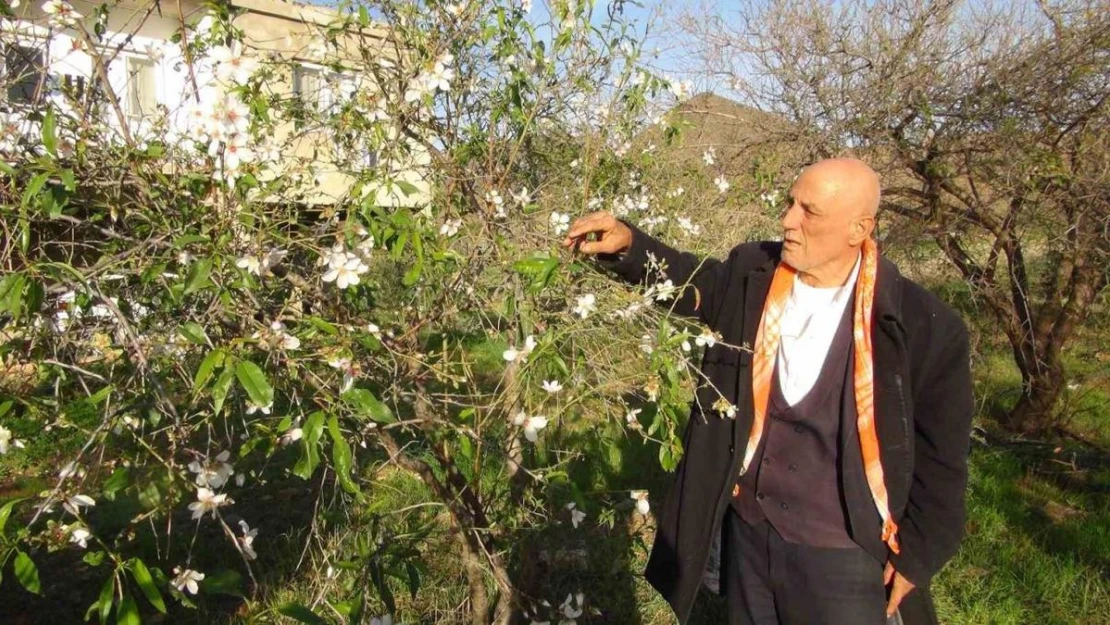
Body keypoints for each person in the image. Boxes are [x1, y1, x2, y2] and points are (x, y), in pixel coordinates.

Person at [562, 158, 974, 625]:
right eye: (789, 203)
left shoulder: (922, 325)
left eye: (809, 211)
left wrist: (919, 555)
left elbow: (942, 459)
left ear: (859, 227)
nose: (788, 220)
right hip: (750, 534)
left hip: (847, 554)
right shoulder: (753, 274)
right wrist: (630, 245)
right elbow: (691, 281)